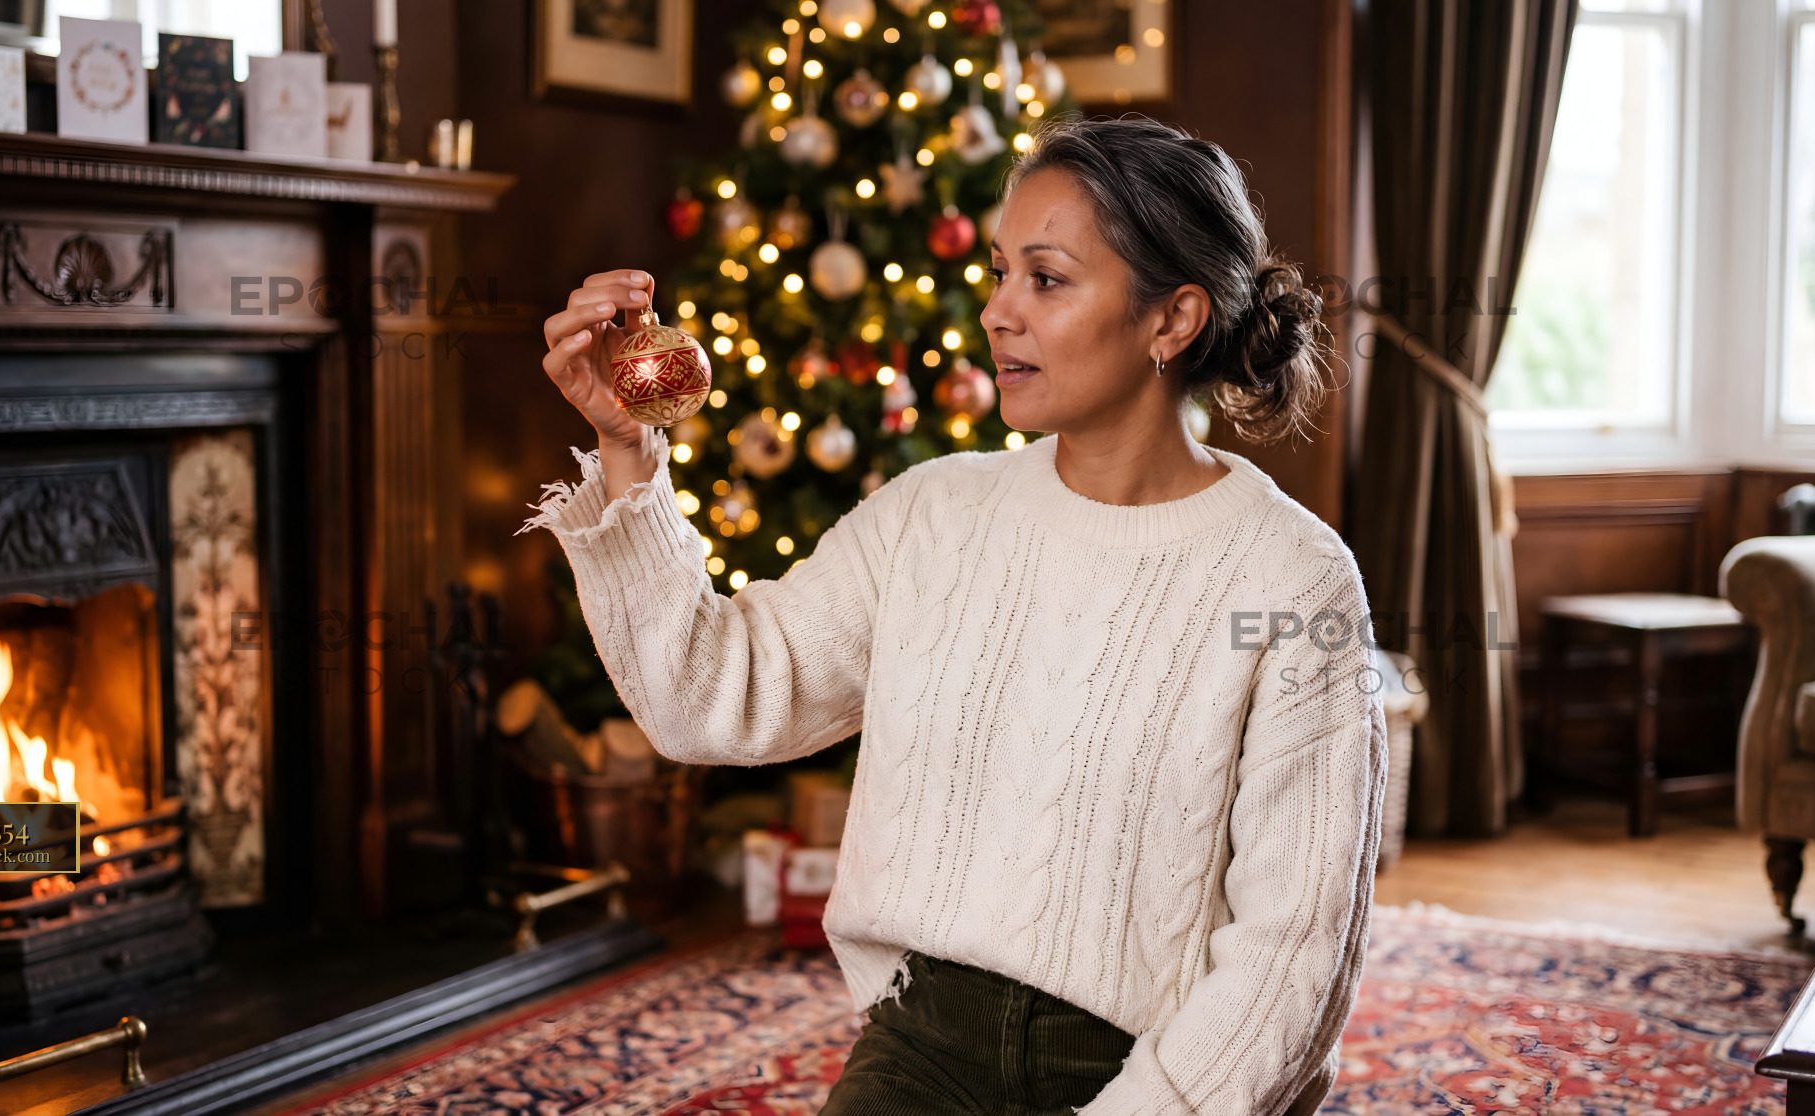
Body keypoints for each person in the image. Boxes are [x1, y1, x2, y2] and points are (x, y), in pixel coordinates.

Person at [527, 116, 1386, 1116]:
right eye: (995, 271)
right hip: (922, 1046)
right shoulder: (932, 513)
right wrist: (629, 449)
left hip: (1158, 1076)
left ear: (1171, 318)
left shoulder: (1294, 580)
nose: (995, 313)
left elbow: (1290, 960)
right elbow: (707, 698)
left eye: (1045, 279)